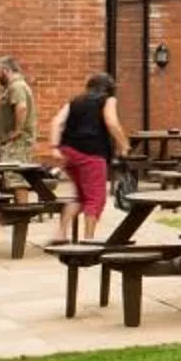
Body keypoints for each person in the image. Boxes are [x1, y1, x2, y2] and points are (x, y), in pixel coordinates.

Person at [50, 72, 130, 243]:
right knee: (95, 198)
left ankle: (61, 233)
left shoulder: (75, 101)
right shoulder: (108, 100)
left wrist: (54, 147)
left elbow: (57, 122)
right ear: (109, 89)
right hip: (91, 154)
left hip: (68, 152)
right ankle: (88, 240)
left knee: (80, 196)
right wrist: (124, 144)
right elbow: (111, 122)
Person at [0, 58, 37, 163]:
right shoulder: (11, 87)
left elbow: (22, 107)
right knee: (8, 174)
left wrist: (17, 131)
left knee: (13, 175)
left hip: (17, 142)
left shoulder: (17, 86)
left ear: (6, 70)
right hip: (9, 142)